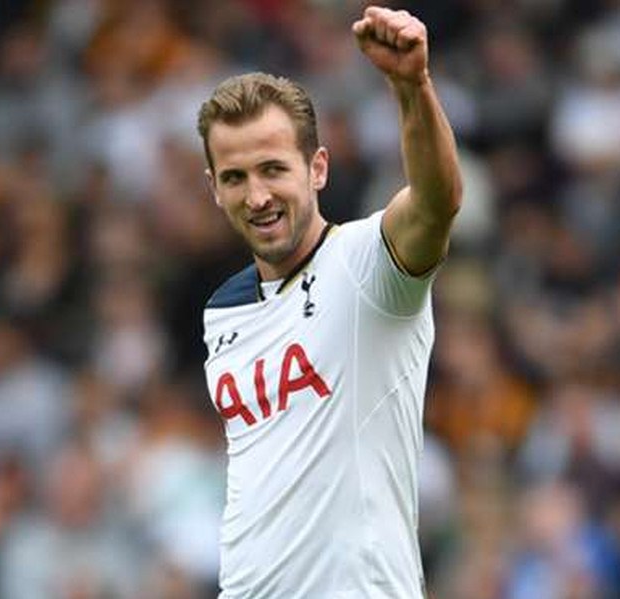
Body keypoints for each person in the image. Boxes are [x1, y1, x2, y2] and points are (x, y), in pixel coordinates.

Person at [196, 6, 462, 599]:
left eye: (273, 169)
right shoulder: (222, 311)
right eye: (235, 177)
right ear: (214, 188)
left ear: (317, 168)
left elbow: (435, 202)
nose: (257, 196)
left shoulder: (367, 264)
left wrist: (412, 87)